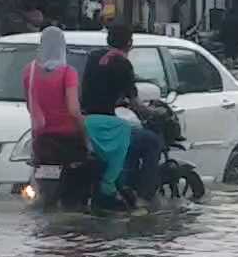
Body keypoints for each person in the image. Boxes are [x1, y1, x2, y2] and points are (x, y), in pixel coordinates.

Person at [82, 24, 164, 211]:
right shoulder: (123, 65)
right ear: (129, 43)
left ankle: (124, 183)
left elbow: (95, 89)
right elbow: (136, 104)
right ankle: (144, 198)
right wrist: (153, 112)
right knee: (152, 142)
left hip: (85, 123)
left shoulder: (93, 57)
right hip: (107, 126)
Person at [23, 26, 87, 173]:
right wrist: (84, 129)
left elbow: (30, 105)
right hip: (68, 138)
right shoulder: (68, 73)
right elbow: (73, 109)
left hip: (41, 139)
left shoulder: (29, 71)